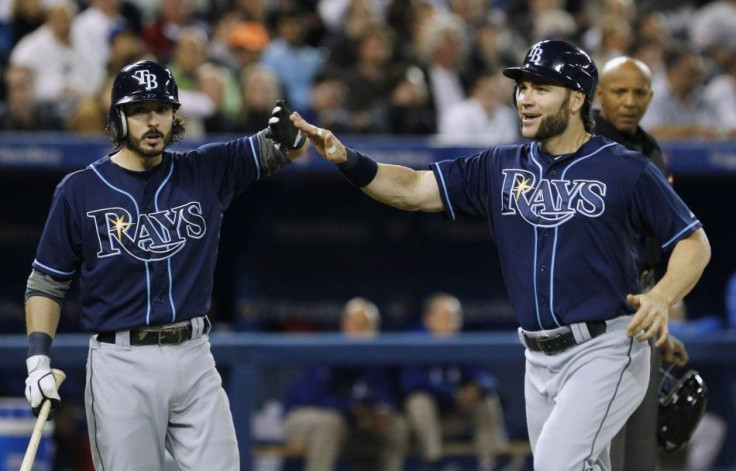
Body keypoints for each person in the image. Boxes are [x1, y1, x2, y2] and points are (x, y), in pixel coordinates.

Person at [290, 39, 712, 470]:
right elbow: (415, 189)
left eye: (541, 88)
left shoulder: (626, 167)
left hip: (605, 347)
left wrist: (662, 297)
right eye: (522, 87)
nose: (525, 98)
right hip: (537, 356)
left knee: (556, 464)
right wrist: (348, 160)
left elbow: (693, 241)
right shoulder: (499, 165)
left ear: (576, 99)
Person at [22, 59, 309, 470]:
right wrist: (37, 361)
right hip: (121, 363)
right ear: (118, 118)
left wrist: (293, 138)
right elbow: (46, 282)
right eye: (139, 110)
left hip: (194, 354)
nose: (152, 120)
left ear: (175, 115)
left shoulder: (205, 168)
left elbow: (282, 147)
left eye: (161, 108)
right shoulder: (79, 191)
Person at [594, 55, 692, 471]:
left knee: (638, 450)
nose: (629, 101)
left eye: (639, 92)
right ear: (598, 95)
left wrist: (661, 326)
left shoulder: (650, 148)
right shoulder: (582, 145)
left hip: (644, 304)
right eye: (619, 91)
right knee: (603, 448)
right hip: (598, 305)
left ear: (651, 97)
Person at [282, 297, 409, 471]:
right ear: (345, 324)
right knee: (330, 423)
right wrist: (352, 409)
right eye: (358, 324)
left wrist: (381, 411)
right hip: (303, 417)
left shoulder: (378, 357)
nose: (363, 331)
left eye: (368, 325)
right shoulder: (331, 348)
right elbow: (317, 398)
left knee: (396, 425)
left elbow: (387, 394)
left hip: (352, 424)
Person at [401, 293, 513, 471]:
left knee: (485, 399)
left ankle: (495, 461)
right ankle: (433, 462)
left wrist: (476, 386)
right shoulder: (415, 341)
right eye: (446, 318)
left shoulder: (461, 342)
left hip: (457, 418)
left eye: (455, 318)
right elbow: (411, 383)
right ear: (429, 319)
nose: (452, 323)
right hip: (422, 426)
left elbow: (486, 377)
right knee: (418, 401)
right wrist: (453, 393)